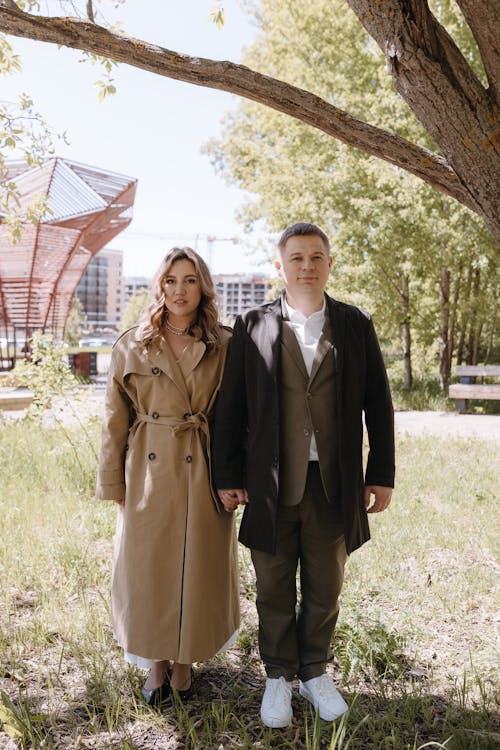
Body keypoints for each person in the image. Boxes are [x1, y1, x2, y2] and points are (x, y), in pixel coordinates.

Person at [214, 222, 394, 727]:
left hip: (334, 482)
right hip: (271, 483)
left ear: (329, 264)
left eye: (316, 257)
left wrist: (380, 473)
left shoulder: (355, 325)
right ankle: (277, 676)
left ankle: (314, 671)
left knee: (325, 582)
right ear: (280, 266)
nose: (307, 266)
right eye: (296, 258)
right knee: (271, 582)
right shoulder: (252, 325)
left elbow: (378, 404)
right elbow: (231, 407)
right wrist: (227, 473)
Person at [96, 247, 239, 707]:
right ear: (160, 285)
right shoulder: (132, 343)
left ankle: (184, 663)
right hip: (147, 471)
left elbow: (239, 418)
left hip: (205, 465)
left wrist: (237, 478)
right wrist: (113, 483)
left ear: (203, 287)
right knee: (148, 567)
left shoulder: (225, 343)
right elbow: (114, 420)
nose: (180, 290)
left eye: (190, 280)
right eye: (172, 280)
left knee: (198, 565)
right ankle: (156, 663)